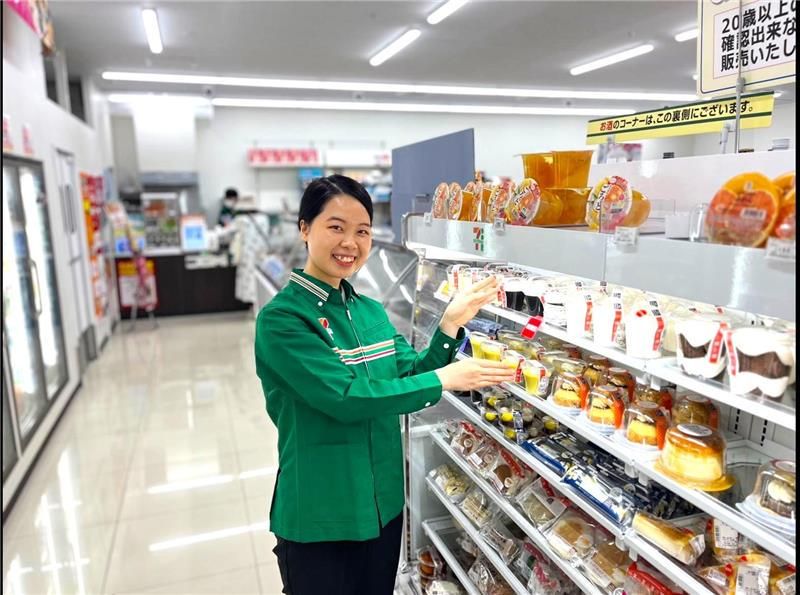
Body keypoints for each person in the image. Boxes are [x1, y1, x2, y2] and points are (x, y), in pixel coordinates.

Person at [254, 174, 515, 595]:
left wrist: (449, 325)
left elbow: (410, 374)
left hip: (383, 507)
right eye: (335, 227)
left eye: (362, 231)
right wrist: (443, 379)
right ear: (305, 228)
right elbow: (345, 397)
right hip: (322, 513)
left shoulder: (370, 311)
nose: (350, 243)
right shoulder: (283, 320)